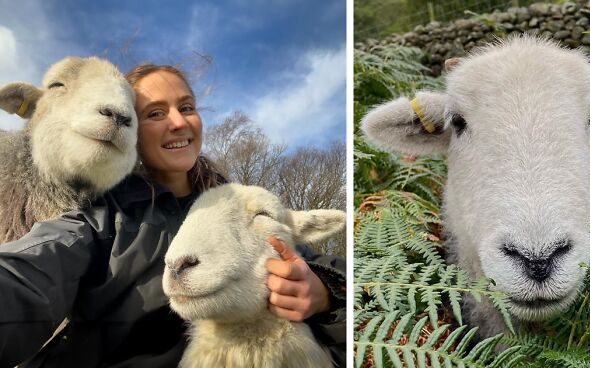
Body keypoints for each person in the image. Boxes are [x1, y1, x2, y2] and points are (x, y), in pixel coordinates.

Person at [0, 64, 346, 368]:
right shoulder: (102, 219)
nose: (179, 123)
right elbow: (29, 274)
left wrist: (325, 293)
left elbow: (332, 271)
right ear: (130, 127)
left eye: (187, 107)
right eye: (154, 113)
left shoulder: (242, 206)